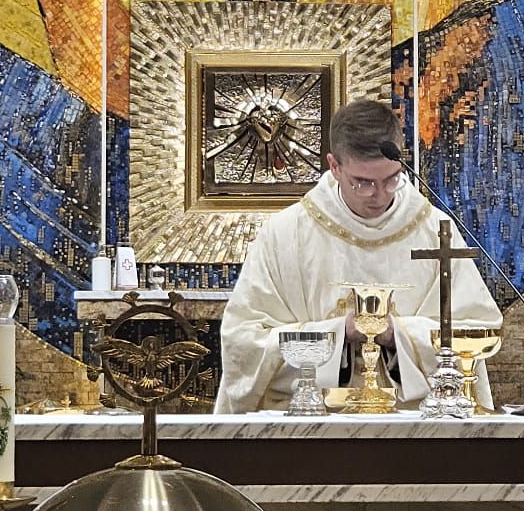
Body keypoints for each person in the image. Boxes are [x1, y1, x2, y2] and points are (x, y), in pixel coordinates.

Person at [215, 97, 503, 412]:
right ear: (334, 166)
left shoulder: (435, 229)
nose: (379, 195)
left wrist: (397, 335)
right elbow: (242, 343)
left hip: (416, 423)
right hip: (311, 424)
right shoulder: (286, 234)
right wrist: (339, 333)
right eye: (363, 183)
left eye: (391, 179)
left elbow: (474, 331)